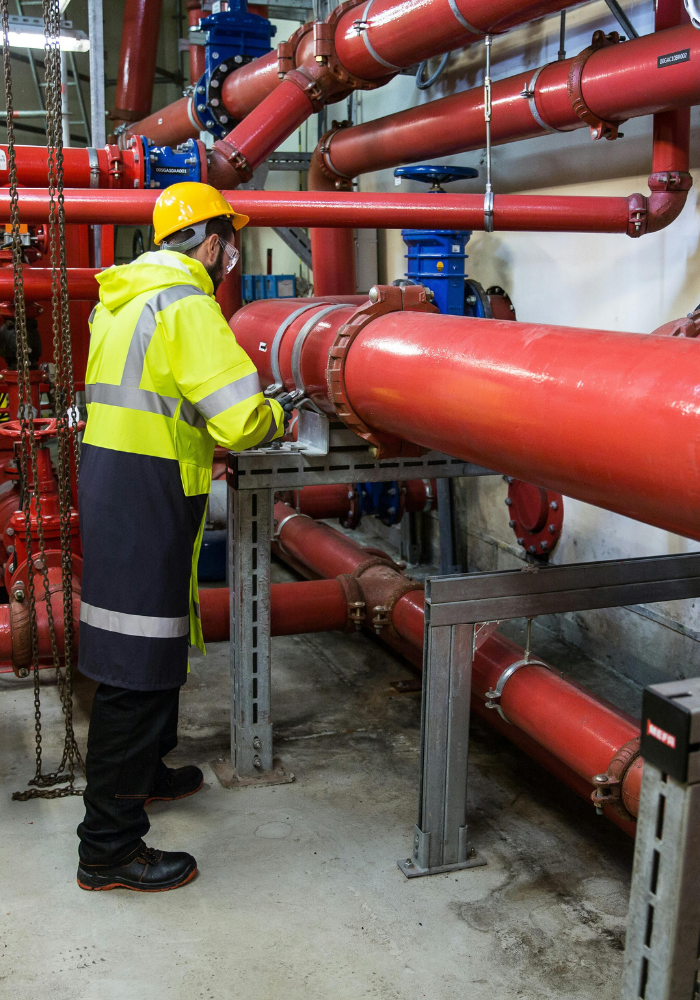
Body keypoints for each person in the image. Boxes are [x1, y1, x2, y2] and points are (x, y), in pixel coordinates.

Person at [75, 182, 285, 892]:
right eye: (232, 239)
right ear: (215, 240)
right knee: (133, 669)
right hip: (148, 490)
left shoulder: (123, 298)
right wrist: (278, 416)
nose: (233, 254)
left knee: (151, 643)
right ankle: (107, 848)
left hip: (114, 481)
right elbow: (238, 420)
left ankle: (148, 773)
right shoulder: (186, 303)